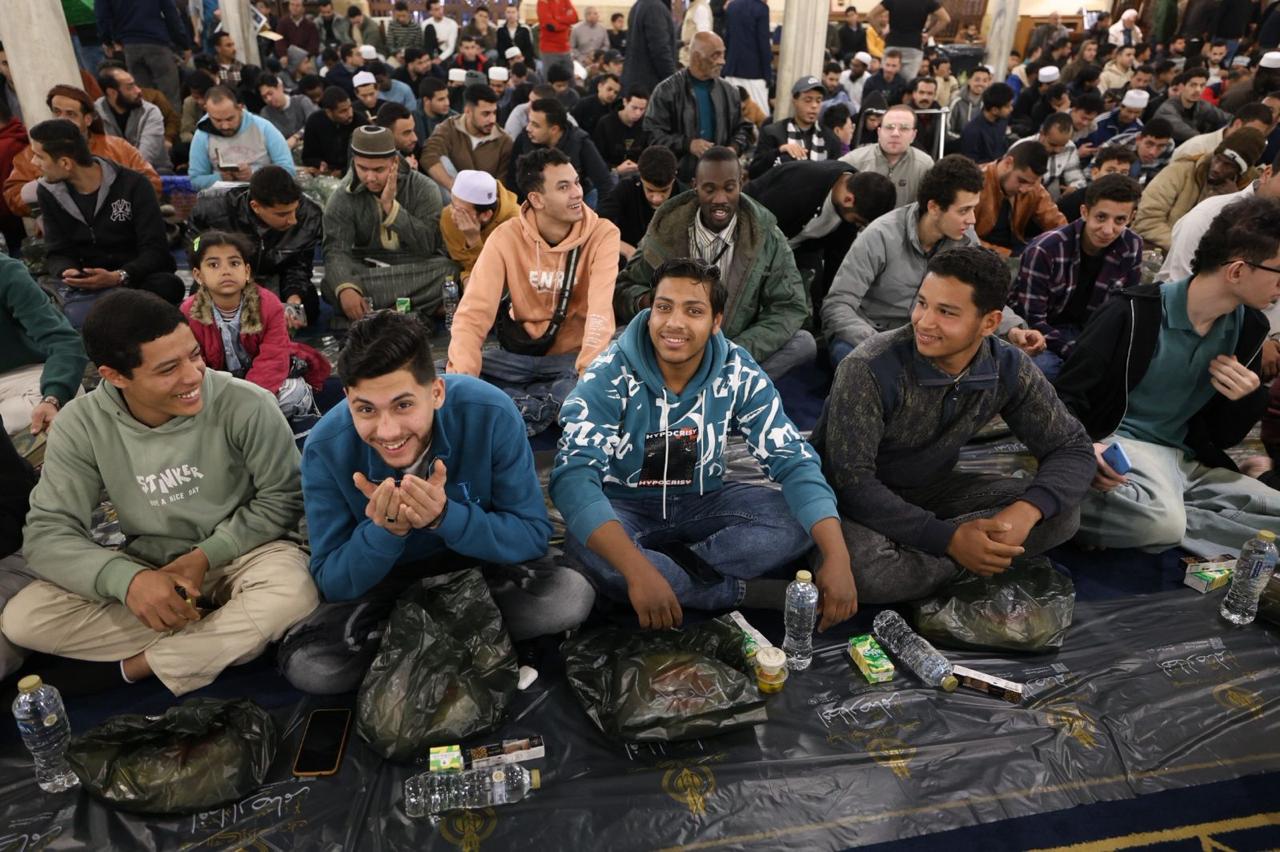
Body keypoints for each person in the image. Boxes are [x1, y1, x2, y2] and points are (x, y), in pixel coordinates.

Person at [1, 289, 319, 695]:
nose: (193, 376)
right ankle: (231, 633)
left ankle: (138, 667)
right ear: (114, 376)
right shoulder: (80, 425)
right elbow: (47, 533)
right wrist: (128, 580)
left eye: (194, 355)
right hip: (154, 566)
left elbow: (285, 499)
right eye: (168, 369)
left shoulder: (246, 403)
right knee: (25, 618)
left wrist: (206, 555)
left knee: (294, 592)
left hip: (247, 555)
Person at [276, 309, 593, 693]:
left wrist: (446, 517)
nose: (387, 431)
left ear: (436, 392)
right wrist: (383, 533)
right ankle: (471, 638)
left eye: (403, 405)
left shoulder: (490, 413)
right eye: (366, 410)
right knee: (312, 666)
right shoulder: (325, 447)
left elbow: (531, 535)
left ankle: (415, 646)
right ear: (347, 399)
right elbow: (332, 581)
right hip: (388, 586)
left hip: (480, 569)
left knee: (568, 597)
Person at [554, 258, 855, 629]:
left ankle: (661, 573)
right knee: (587, 546)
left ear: (716, 322)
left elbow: (792, 458)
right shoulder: (610, 372)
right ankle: (735, 591)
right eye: (664, 307)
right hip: (624, 505)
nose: (674, 323)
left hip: (702, 502)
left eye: (693, 311)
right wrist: (637, 570)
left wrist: (837, 557)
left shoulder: (736, 369)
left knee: (798, 523)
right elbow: (573, 477)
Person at [814, 246, 1093, 603]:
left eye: (946, 312)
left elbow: (1071, 446)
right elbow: (850, 482)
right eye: (922, 303)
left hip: (932, 490)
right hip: (854, 503)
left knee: (1061, 514)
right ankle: (970, 559)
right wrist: (949, 540)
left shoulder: (1007, 366)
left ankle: (949, 558)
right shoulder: (868, 368)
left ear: (990, 323)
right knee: (866, 574)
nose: (924, 321)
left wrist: (1026, 512)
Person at [1058, 196, 1280, 556]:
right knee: (1159, 522)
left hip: (1185, 460)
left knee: (1269, 510)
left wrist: (1248, 399)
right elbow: (1064, 397)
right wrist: (1085, 448)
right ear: (1237, 271)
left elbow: (1224, 437)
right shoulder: (1132, 311)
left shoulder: (1249, 329)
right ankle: (1166, 520)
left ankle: (1170, 518)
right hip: (1122, 448)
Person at [447, 148, 620, 436]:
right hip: (516, 360)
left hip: (571, 362)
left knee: (607, 377)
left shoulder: (603, 234)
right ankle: (537, 405)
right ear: (536, 199)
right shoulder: (506, 236)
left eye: (576, 182)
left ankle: (516, 407)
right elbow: (473, 314)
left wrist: (588, 378)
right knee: (441, 375)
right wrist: (463, 384)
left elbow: (600, 314)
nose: (577, 193)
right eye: (563, 187)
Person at [616, 147, 815, 380]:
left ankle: (726, 385)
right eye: (709, 189)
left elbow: (789, 307)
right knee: (616, 340)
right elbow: (624, 288)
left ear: (741, 184)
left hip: (733, 351)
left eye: (729, 188)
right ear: (695, 186)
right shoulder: (665, 229)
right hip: (672, 345)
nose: (720, 199)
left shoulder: (768, 237)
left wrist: (732, 351)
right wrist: (651, 303)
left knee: (804, 343)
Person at [31, 120, 182, 328]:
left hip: (136, 277)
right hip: (87, 283)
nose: (33, 162)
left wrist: (119, 276)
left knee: (168, 286)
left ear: (65, 163)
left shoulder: (134, 185)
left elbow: (156, 251)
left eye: (39, 156)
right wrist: (69, 272)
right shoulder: (48, 192)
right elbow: (57, 251)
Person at [181, 231, 328, 420]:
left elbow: (273, 359)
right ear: (198, 275)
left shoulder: (269, 304)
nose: (226, 271)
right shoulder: (189, 312)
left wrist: (247, 400)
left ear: (247, 271)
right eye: (214, 265)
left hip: (260, 384)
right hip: (218, 389)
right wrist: (221, 398)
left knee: (294, 393)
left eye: (234, 263)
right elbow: (196, 364)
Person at [1010, 174, 1143, 380]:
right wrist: (1078, 354)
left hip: (1089, 332)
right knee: (1042, 370)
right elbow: (1032, 319)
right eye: (1101, 217)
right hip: (1041, 332)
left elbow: (1125, 309)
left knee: (1130, 367)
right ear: (1084, 212)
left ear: (1131, 217)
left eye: (1119, 220)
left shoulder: (1132, 245)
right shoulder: (1045, 249)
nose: (1108, 230)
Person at [322, 126, 460, 323]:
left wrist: (391, 209)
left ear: (394, 162)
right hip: (369, 268)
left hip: (415, 265)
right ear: (354, 162)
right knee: (332, 285)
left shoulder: (423, 188)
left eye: (378, 170)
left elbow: (429, 245)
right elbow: (336, 251)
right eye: (362, 168)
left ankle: (376, 312)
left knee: (448, 271)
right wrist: (346, 288)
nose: (370, 177)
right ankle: (418, 308)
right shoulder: (342, 196)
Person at [745, 160, 896, 320]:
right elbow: (754, 228)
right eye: (857, 221)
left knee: (808, 301)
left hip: (800, 248)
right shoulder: (800, 186)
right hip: (752, 237)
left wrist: (830, 304)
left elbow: (836, 259)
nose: (857, 226)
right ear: (848, 200)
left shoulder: (858, 195)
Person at [189, 165, 325, 329]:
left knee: (308, 306)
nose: (293, 220)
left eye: (294, 210)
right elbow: (198, 256)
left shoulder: (309, 215)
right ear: (256, 206)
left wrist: (293, 299)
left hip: (277, 275)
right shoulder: (212, 212)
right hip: (230, 275)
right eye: (282, 214)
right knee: (200, 304)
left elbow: (299, 266)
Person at [3, 86, 160, 219]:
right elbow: (13, 194)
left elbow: (151, 182)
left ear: (88, 119)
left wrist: (117, 208)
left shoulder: (118, 147)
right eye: (57, 112)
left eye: (70, 114)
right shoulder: (35, 153)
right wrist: (52, 197)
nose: (61, 120)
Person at [1132, 127, 1266, 251]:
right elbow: (1146, 221)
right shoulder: (1180, 171)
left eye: (1227, 165)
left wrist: (1233, 201)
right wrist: (1185, 250)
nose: (1217, 168)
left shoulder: (1244, 194)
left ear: (1239, 171)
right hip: (1156, 250)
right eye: (1217, 159)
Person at [643, 32, 753, 182]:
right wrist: (688, 144)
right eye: (715, 55)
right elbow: (652, 134)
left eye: (723, 54)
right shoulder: (666, 91)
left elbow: (744, 129)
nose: (722, 61)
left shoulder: (730, 92)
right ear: (696, 57)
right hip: (679, 179)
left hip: (720, 177)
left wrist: (734, 148)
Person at [0, 255, 87, 438]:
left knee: (65, 399)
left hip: (23, 377)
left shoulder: (6, 271)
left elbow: (64, 341)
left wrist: (53, 397)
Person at [188, 87, 295, 191]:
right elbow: (196, 180)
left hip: (263, 194)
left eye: (230, 119)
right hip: (221, 196)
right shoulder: (202, 134)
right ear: (207, 110)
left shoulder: (264, 128)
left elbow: (288, 171)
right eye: (217, 120)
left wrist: (254, 174)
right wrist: (220, 177)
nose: (225, 126)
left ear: (240, 108)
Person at [975, 141, 1068, 256]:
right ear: (1008, 163)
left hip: (1017, 246)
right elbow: (964, 239)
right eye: (1021, 181)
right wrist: (1008, 254)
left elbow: (1055, 220)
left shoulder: (1033, 187)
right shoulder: (974, 182)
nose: (1025, 189)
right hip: (981, 252)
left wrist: (1069, 242)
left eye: (1032, 183)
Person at [422, 83, 513, 196]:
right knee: (441, 159)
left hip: (485, 198)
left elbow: (501, 187)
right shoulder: (449, 127)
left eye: (494, 113)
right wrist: (453, 187)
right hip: (452, 194)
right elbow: (428, 156)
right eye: (486, 114)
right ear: (468, 112)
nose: (492, 120)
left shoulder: (504, 141)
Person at [95, 0, 185, 110]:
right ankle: (174, 120)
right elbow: (171, 12)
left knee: (144, 97)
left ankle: (151, 120)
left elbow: (102, 17)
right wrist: (182, 42)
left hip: (130, 45)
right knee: (170, 95)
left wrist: (107, 41)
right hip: (157, 42)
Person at [841, 104, 935, 209]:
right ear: (879, 132)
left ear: (913, 135)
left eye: (904, 128)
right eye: (889, 127)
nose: (895, 133)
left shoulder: (925, 165)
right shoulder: (853, 161)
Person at [748, 76, 841, 179]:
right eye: (808, 100)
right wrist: (779, 151)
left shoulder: (830, 139)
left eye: (818, 101)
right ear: (795, 101)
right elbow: (754, 172)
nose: (814, 105)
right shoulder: (773, 132)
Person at [599, 145, 681, 261]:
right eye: (650, 190)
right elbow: (598, 226)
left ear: (674, 178)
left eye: (664, 191)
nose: (656, 199)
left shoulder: (684, 197)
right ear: (641, 177)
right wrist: (627, 250)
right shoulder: (625, 188)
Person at [440, 168, 520, 283]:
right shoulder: (448, 217)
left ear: (486, 215)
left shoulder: (515, 223)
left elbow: (501, 273)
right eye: (452, 205)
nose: (453, 214)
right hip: (471, 276)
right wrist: (466, 279)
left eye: (461, 211)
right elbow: (463, 264)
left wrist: (474, 240)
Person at [95, 66, 171, 174]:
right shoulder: (96, 114)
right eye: (130, 87)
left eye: (135, 84)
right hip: (113, 173)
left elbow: (144, 158)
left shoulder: (150, 112)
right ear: (112, 93)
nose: (138, 90)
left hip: (153, 170)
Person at [1009, 112, 1086, 200]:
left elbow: (1077, 178)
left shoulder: (1070, 147)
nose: (1058, 150)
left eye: (1063, 145)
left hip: (1050, 199)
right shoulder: (1021, 148)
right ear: (1042, 134)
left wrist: (1074, 188)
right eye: (1053, 145)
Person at [868, 0, 950, 81]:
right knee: (908, 83)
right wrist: (929, 34)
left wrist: (880, 33)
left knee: (886, 81)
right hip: (914, 46)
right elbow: (945, 19)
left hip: (893, 44)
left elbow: (870, 16)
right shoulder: (927, 2)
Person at [1171, 102, 1276, 163]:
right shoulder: (1197, 148)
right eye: (1252, 132)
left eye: (1259, 135)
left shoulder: (1245, 155)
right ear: (1238, 124)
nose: (1255, 138)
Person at [1056, 144, 1138, 220]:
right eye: (1110, 171)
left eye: (1124, 173)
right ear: (1095, 173)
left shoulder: (1129, 203)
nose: (1117, 177)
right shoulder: (1074, 201)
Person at [721, 0, 772, 119]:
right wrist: (768, 76)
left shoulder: (732, 7)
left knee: (730, 117)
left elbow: (727, 39)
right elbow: (763, 43)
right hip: (755, 72)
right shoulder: (761, 9)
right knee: (760, 118)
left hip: (732, 70)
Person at [1152, 68, 1231, 144]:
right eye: (1193, 85)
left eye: (1202, 85)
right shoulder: (1167, 110)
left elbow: (1226, 117)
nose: (1198, 90)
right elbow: (1191, 135)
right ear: (1182, 87)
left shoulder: (1201, 104)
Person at [301, 87, 364, 177]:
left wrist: (342, 172)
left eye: (350, 107)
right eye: (343, 111)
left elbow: (367, 158)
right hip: (325, 174)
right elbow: (308, 156)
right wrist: (319, 163)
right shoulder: (314, 121)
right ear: (329, 112)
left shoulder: (360, 122)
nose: (350, 114)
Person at [593, 85, 649, 170]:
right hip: (609, 172)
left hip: (638, 171)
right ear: (625, 102)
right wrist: (615, 170)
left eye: (642, 109)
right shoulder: (606, 123)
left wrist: (640, 167)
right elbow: (597, 158)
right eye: (634, 108)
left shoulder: (646, 125)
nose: (638, 113)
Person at [258, 73, 317, 150]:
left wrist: (296, 137)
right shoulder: (265, 113)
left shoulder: (301, 101)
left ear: (279, 87)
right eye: (264, 97)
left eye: (270, 93)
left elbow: (314, 124)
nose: (268, 99)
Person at [959, 81, 1014, 164]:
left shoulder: (1002, 120)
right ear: (994, 110)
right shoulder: (972, 132)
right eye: (1007, 106)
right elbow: (972, 163)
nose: (1011, 109)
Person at [1111, 118, 1176, 185]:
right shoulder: (1118, 144)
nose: (1152, 152)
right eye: (1149, 144)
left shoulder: (1169, 146)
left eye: (1160, 146)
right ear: (1138, 139)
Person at [948, 65, 991, 147]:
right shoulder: (956, 102)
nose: (981, 84)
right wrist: (967, 140)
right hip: (957, 146)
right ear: (969, 80)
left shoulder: (988, 104)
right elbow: (946, 131)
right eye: (977, 80)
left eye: (985, 81)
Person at [538, 0, 579, 73]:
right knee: (550, 78)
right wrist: (566, 24)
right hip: (549, 50)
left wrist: (556, 18)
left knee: (570, 77)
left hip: (565, 49)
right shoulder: (543, 1)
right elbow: (551, 26)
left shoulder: (565, 1)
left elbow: (575, 18)